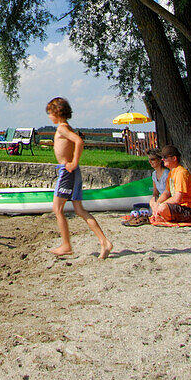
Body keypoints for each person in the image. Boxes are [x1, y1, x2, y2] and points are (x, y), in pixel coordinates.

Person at [46, 97, 113, 260]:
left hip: (67, 171)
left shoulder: (62, 128)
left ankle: (66, 245)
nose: (49, 116)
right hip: (72, 172)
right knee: (79, 210)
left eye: (49, 113)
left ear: (56, 112)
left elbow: (79, 142)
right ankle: (104, 242)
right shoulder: (67, 127)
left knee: (58, 209)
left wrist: (74, 162)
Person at [153, 144, 191, 222]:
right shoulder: (171, 173)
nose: (162, 160)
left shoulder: (181, 173)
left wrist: (160, 206)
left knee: (162, 208)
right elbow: (166, 193)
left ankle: (163, 217)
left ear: (174, 158)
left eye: (165, 157)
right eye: (162, 157)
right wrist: (156, 204)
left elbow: (177, 198)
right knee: (153, 202)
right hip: (182, 207)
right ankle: (161, 216)